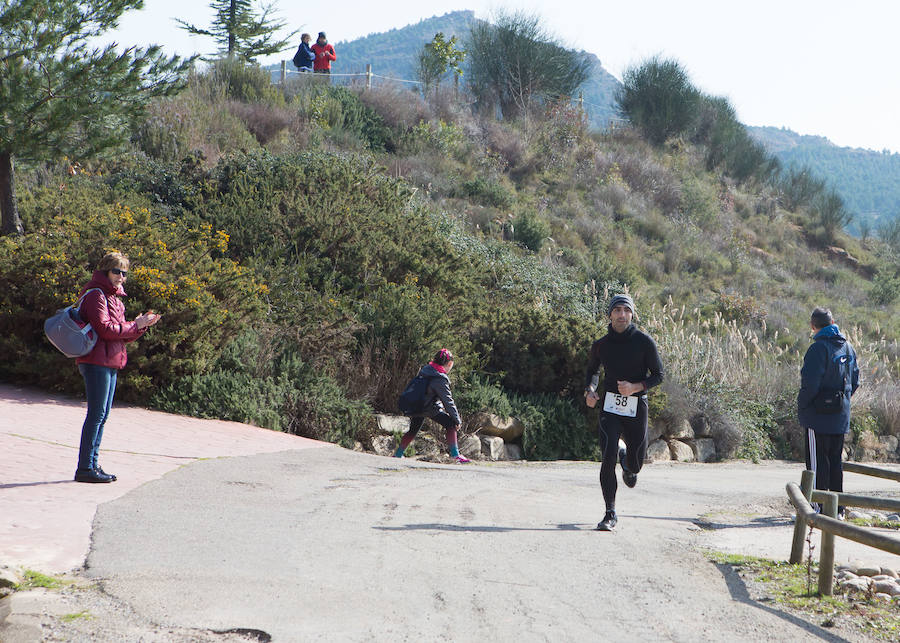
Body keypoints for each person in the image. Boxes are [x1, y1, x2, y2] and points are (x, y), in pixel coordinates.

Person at [73, 252, 161, 483]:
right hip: (95, 361)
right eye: (116, 271)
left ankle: (92, 463)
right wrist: (134, 325)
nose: (121, 276)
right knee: (97, 414)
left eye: (124, 272)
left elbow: (120, 335)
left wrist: (140, 326)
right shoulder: (97, 295)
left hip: (110, 360)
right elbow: (105, 330)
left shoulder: (115, 299)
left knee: (103, 415)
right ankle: (85, 468)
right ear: (105, 271)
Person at [585, 294, 663, 531]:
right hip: (610, 405)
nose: (621, 315)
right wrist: (589, 390)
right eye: (617, 310)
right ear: (610, 315)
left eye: (625, 310)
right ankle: (610, 513)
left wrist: (635, 387)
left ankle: (627, 461)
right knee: (606, 458)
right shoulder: (601, 345)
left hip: (637, 405)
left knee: (636, 464)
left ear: (632, 314)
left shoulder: (644, 342)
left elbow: (659, 375)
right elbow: (592, 372)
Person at [797, 307, 860, 512]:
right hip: (840, 416)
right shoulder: (848, 348)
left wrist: (803, 405)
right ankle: (837, 510)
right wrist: (841, 402)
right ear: (833, 322)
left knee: (817, 465)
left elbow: (810, 385)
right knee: (835, 464)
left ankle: (816, 509)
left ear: (813, 326)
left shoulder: (818, 349)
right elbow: (855, 381)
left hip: (818, 417)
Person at [394, 349, 470, 463]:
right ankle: (455, 455)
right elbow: (448, 401)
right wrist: (457, 419)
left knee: (413, 430)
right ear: (449, 364)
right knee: (451, 424)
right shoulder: (440, 378)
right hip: (429, 408)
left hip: (417, 405)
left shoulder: (425, 370)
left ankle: (398, 454)